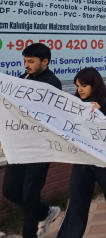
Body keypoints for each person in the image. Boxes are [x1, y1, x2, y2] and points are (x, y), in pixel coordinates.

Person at [56, 68, 106, 238]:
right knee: (76, 201)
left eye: (84, 85)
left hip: (105, 162)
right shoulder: (77, 103)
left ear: (94, 84)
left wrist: (100, 115)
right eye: (78, 86)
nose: (80, 89)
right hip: (83, 160)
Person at [2, 43, 62, 238]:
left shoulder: (52, 83)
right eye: (25, 61)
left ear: (45, 62)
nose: (26, 65)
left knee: (30, 196)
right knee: (10, 190)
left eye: (31, 61)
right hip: (20, 147)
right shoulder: (23, 78)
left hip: (39, 149)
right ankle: (46, 212)